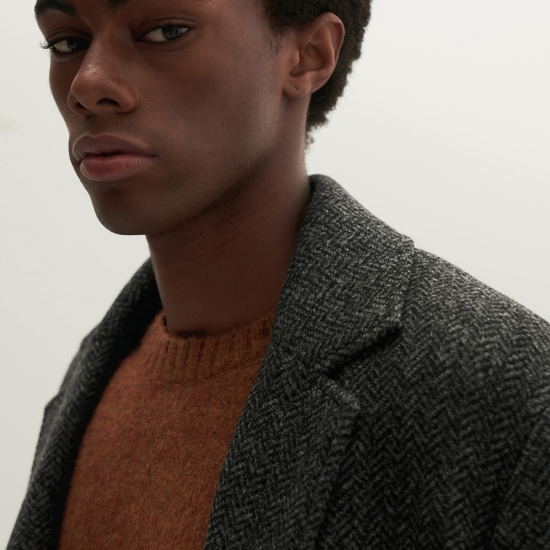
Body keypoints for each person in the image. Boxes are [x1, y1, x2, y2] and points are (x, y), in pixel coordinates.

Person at [9, 0, 550, 547]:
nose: (87, 84)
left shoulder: (509, 393)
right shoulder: (95, 380)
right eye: (67, 42)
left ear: (309, 55)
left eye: (166, 32)